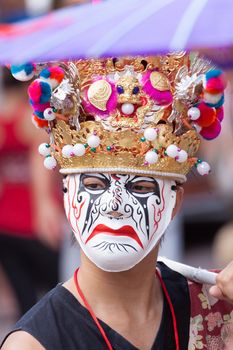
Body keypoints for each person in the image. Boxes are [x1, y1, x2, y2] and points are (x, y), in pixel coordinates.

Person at [1, 53, 233, 350]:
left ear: (174, 203)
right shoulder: (33, 345)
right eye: (95, 184)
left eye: (141, 186)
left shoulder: (216, 307)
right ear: (66, 195)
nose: (115, 203)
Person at [0, 68, 64, 317]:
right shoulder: (29, 118)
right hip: (33, 219)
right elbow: (40, 166)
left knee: (23, 298)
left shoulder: (4, 120)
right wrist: (44, 206)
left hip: (4, 218)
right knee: (54, 292)